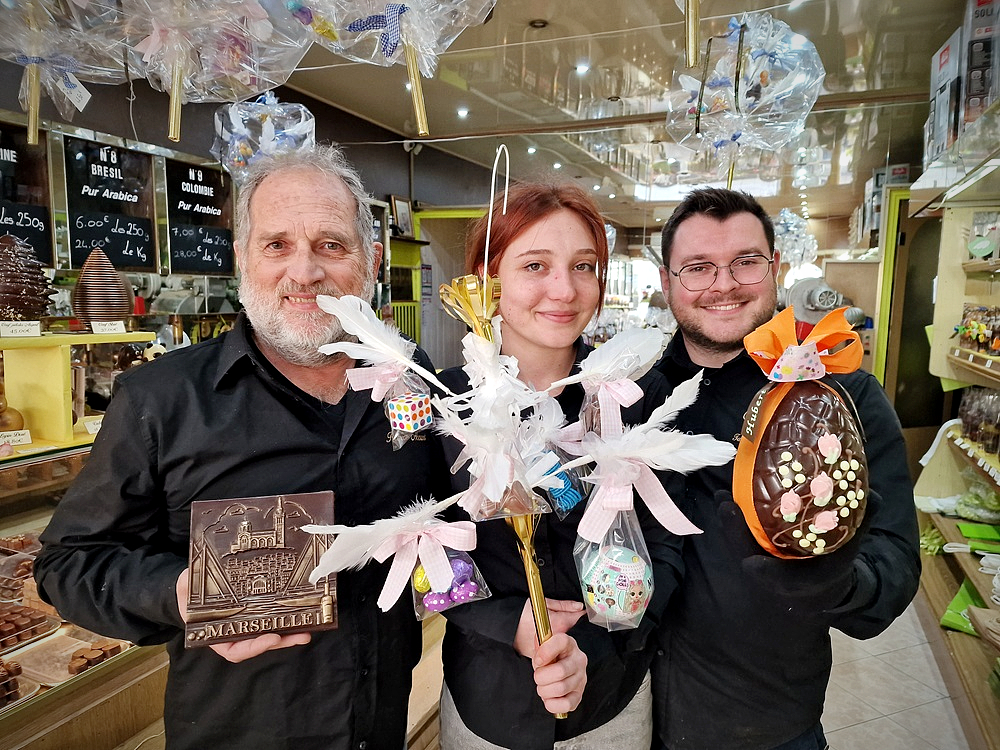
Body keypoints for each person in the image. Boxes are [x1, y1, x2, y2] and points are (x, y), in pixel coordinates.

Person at [34, 145, 452, 750]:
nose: (304, 272)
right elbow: (66, 562)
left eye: (331, 245)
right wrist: (179, 593)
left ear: (371, 260)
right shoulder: (163, 399)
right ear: (241, 258)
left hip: (381, 726)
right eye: (277, 244)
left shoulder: (412, 378)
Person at [650, 188, 920, 750]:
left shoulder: (841, 396)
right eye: (698, 268)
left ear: (776, 267)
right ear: (666, 281)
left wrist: (836, 580)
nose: (723, 284)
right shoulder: (631, 393)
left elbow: (893, 567)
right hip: (622, 713)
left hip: (766, 722)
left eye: (745, 262)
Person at [436, 183, 685, 750]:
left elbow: (667, 548)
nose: (564, 289)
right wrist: (508, 624)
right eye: (535, 265)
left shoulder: (633, 398)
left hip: (611, 702)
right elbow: (420, 551)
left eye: (584, 265)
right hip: (487, 703)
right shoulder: (442, 406)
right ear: (487, 277)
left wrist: (600, 647)